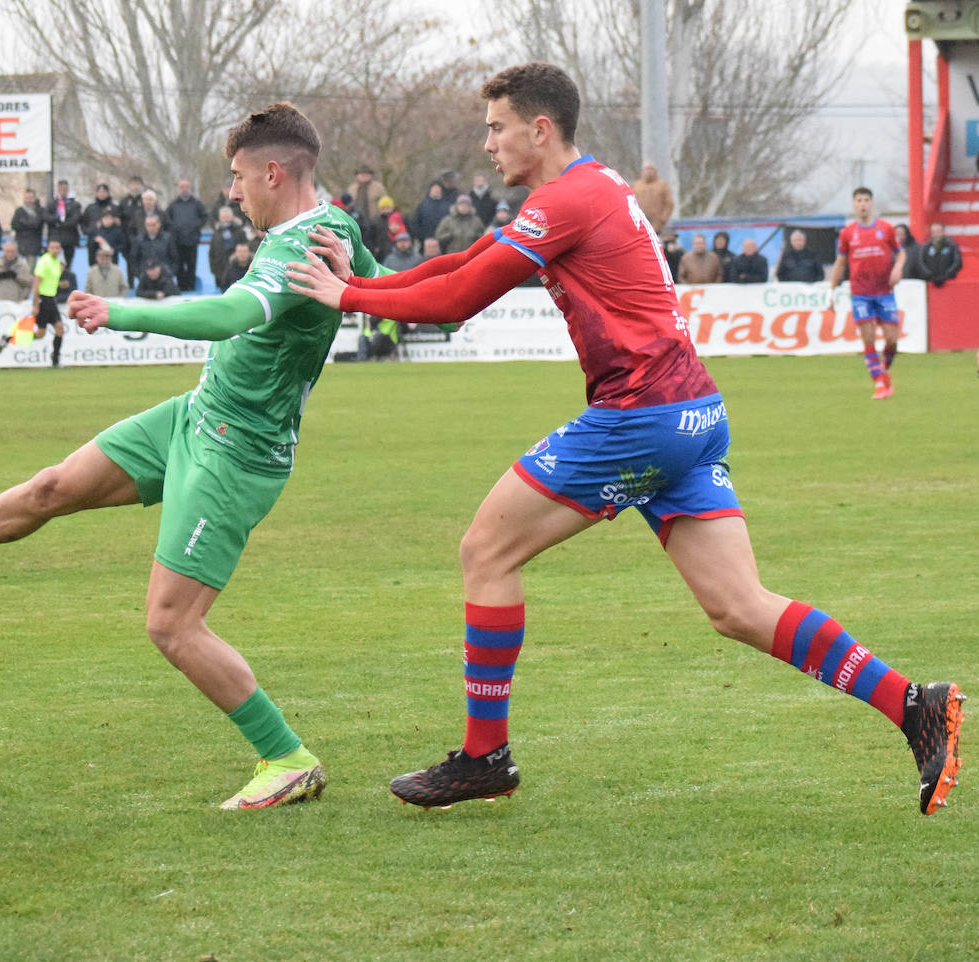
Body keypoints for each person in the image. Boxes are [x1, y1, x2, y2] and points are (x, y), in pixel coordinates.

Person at [285, 62, 965, 816]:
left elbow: (459, 301)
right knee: (738, 605)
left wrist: (345, 296)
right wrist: (368, 276)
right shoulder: (590, 186)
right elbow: (464, 264)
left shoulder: (567, 200)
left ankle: (485, 756)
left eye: (496, 127)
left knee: (486, 551)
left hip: (639, 416)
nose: (487, 145)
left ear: (539, 130)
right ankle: (914, 705)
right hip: (694, 413)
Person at [0, 101, 386, 810]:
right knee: (53, 486)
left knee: (170, 624)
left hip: (238, 454)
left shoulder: (301, 244)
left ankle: (286, 757)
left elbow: (228, 314)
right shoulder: (332, 223)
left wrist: (121, 312)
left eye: (240, 177)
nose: (233, 192)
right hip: (194, 417)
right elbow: (382, 287)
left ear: (274, 172)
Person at [829, 187, 905, 400]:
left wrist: (898, 269)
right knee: (869, 338)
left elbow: (901, 254)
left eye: (866, 200)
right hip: (860, 293)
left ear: (871, 203)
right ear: (854, 205)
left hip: (884, 291)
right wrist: (831, 290)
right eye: (859, 200)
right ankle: (880, 383)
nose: (863, 204)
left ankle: (883, 371)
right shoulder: (847, 233)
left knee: (892, 340)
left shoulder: (885, 228)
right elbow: (840, 262)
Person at [22, 238, 72, 367]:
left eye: (57, 247)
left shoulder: (56, 262)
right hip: (43, 299)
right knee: (40, 334)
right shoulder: (44, 261)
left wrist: (61, 284)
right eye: (52, 247)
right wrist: (35, 304)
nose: (55, 250)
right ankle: (11, 338)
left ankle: (55, 360)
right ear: (48, 248)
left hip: (51, 299)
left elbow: (50, 280)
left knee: (59, 329)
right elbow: (37, 283)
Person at [164, 179, 208, 291]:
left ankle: (191, 287)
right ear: (179, 189)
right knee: (178, 265)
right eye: (182, 187)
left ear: (190, 188)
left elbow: (204, 216)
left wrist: (196, 225)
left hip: (192, 240)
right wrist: (174, 229)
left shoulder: (196, 203)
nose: (184, 189)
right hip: (177, 241)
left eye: (186, 187)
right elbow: (166, 219)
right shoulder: (173, 204)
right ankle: (181, 287)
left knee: (191, 265)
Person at [132, 213, 177, 285]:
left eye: (153, 225)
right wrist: (139, 274)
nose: (151, 228)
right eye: (148, 225)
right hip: (145, 279)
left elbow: (175, 258)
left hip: (165, 278)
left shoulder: (168, 239)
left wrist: (171, 273)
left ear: (159, 225)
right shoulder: (139, 240)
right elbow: (134, 260)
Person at [48, 180, 84, 271]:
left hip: (70, 239)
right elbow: (47, 217)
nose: (63, 192)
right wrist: (57, 219)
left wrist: (61, 223)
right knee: (54, 264)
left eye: (65, 189)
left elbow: (75, 219)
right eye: (61, 189)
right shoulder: (52, 204)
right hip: (55, 239)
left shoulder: (74, 205)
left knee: (68, 265)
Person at [632, 163, 674, 236]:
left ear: (655, 171)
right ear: (643, 171)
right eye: (647, 169)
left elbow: (669, 203)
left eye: (651, 169)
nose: (649, 172)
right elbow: (631, 202)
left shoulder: (662, 185)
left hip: (658, 226)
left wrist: (663, 219)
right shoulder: (636, 185)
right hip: (640, 225)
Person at [409, 182, 452, 250]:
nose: (436, 191)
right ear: (430, 191)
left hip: (443, 243)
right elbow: (415, 223)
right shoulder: (422, 206)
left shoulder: (448, 206)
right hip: (425, 242)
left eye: (438, 189)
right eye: (434, 189)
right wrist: (422, 237)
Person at [10, 188, 49, 261]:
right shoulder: (19, 211)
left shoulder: (40, 210)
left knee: (30, 270)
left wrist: (23, 222)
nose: (28, 200)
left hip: (34, 246)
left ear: (34, 198)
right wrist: (29, 224)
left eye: (30, 198)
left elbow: (37, 224)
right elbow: (14, 225)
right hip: (20, 245)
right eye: (26, 198)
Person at [920, 221, 962, 287]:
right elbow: (921, 263)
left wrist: (946, 275)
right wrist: (930, 275)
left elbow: (957, 263)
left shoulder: (952, 246)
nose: (936, 234)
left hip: (949, 283)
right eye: (933, 232)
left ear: (943, 232)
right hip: (930, 283)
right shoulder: (926, 247)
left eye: (938, 231)